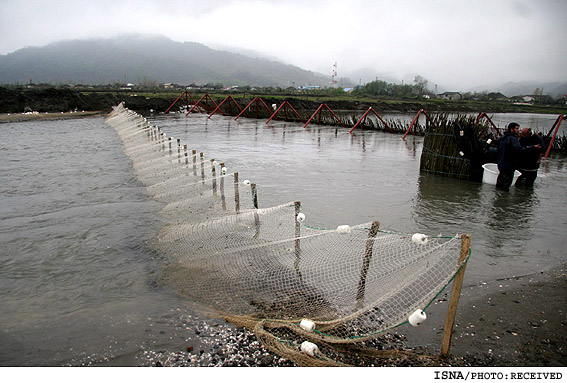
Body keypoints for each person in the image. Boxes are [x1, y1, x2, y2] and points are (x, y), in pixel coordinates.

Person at [496, 122, 541, 192]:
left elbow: (498, 150)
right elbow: (519, 150)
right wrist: (533, 147)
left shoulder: (502, 138)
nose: (518, 130)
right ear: (511, 129)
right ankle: (504, 198)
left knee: (500, 180)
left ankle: (497, 195)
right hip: (509, 164)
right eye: (517, 128)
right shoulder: (513, 139)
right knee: (506, 184)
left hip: (501, 163)